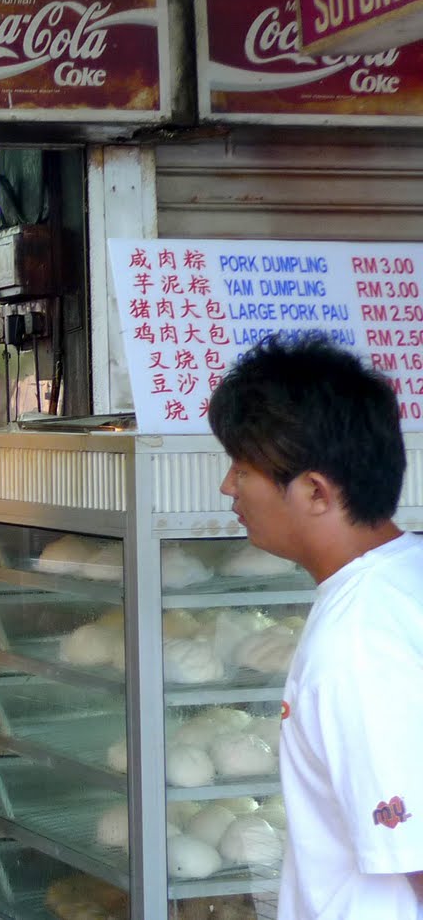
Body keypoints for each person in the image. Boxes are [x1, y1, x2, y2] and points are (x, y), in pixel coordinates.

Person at [209, 334, 423, 919]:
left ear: (315, 491)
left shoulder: (359, 644)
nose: (229, 487)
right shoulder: (404, 576)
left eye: (243, 469)